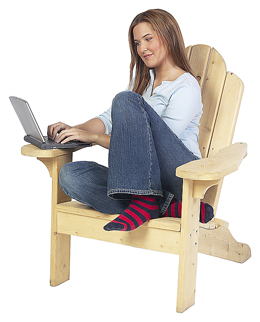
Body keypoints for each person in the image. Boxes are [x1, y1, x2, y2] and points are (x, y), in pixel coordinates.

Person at [48, 9, 214, 232]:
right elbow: (108, 118)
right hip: (145, 182)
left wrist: (94, 138)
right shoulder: (143, 80)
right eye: (137, 43)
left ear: (168, 35)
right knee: (70, 176)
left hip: (180, 175)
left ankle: (149, 202)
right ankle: (161, 206)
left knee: (125, 100)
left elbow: (153, 144)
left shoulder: (186, 86)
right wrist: (73, 129)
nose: (142, 49)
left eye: (148, 39)